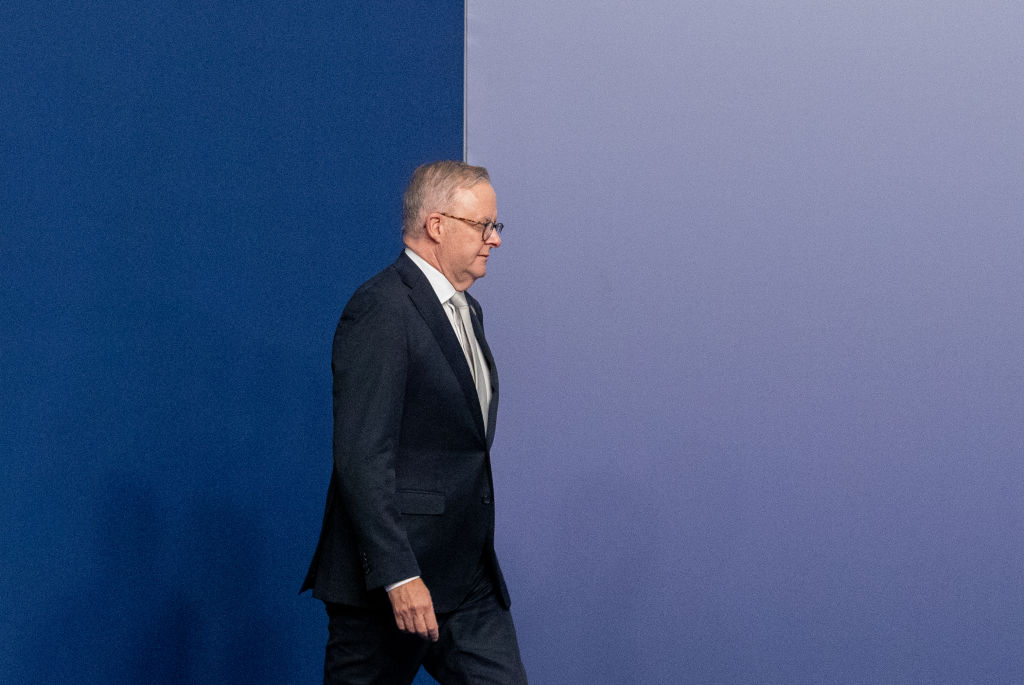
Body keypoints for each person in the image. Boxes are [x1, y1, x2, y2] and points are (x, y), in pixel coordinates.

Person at [302, 161, 527, 684]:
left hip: (466, 579)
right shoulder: (382, 308)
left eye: (495, 226)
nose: (494, 239)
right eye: (483, 225)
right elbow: (362, 455)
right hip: (389, 585)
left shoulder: (467, 310)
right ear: (437, 225)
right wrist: (399, 575)